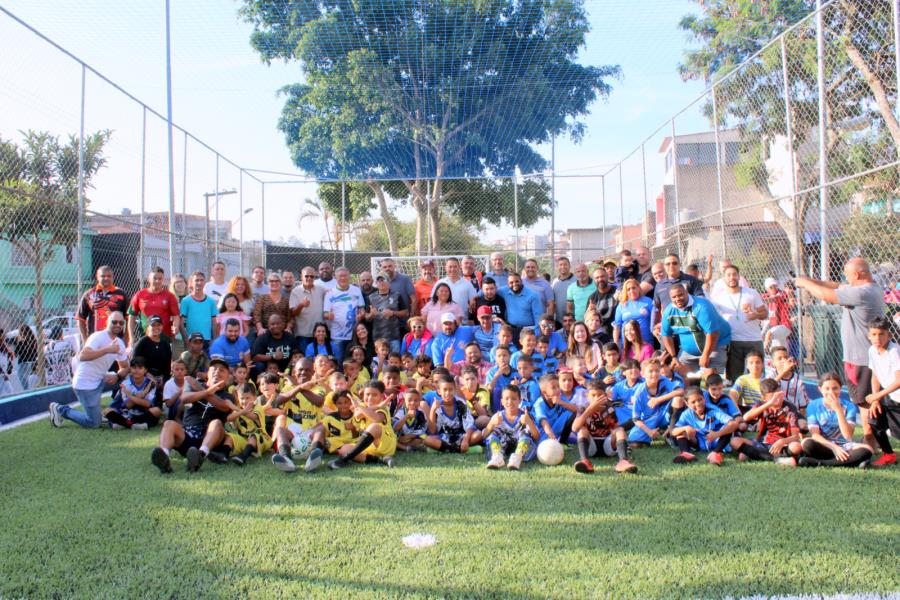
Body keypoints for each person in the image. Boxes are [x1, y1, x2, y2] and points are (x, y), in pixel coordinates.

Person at [796, 257, 886, 448]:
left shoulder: (862, 292)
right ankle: (873, 438)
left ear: (857, 274)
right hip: (860, 357)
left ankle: (870, 439)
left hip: (860, 358)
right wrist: (812, 280)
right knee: (864, 399)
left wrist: (804, 284)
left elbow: (828, 295)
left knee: (864, 401)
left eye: (848, 274)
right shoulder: (869, 287)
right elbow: (838, 286)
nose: (845, 278)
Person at [149, 357, 236, 474]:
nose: (217, 372)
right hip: (188, 434)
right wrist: (206, 391)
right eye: (214, 369)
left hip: (211, 439)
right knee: (169, 423)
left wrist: (201, 390)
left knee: (216, 423)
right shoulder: (193, 383)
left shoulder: (228, 396)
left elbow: (223, 406)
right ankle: (164, 458)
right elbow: (184, 398)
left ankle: (200, 455)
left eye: (222, 370)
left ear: (227, 377)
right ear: (207, 373)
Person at [49, 311, 129, 429]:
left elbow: (125, 368)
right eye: (114, 322)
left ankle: (116, 410)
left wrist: (117, 376)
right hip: (85, 384)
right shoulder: (98, 336)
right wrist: (107, 349)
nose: (118, 325)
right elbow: (83, 356)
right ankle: (60, 409)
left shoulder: (120, 344)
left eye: (121, 323)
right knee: (94, 423)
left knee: (128, 379)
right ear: (107, 322)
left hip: (101, 379)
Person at [799, 372, 873, 468]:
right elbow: (815, 435)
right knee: (807, 443)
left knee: (868, 450)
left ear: (840, 389)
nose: (831, 392)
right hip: (824, 445)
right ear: (820, 389)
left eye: (835, 388)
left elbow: (848, 435)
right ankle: (852, 462)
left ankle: (820, 463)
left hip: (845, 445)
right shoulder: (813, 406)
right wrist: (834, 448)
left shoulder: (849, 406)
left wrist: (838, 410)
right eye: (827, 389)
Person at [710, 265, 767, 382]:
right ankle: (736, 400)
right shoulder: (718, 298)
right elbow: (714, 319)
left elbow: (765, 313)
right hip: (732, 341)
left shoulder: (751, 293)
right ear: (724, 278)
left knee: (758, 377)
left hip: (753, 340)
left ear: (739, 276)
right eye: (728, 275)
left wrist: (756, 315)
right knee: (735, 378)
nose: (732, 277)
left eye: (734, 274)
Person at [661, 284, 732, 376]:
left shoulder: (702, 306)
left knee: (711, 378)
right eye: (674, 297)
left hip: (714, 347)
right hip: (688, 352)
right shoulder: (669, 311)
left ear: (687, 293)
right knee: (679, 374)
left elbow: (713, 332)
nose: (677, 299)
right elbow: (666, 334)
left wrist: (706, 355)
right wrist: (674, 357)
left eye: (680, 295)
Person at [269, 362, 328, 472]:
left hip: (311, 432)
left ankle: (312, 459)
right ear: (295, 372)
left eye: (307, 370)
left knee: (321, 428)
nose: (303, 372)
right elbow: (278, 401)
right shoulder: (288, 388)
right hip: (293, 432)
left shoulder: (318, 388)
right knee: (281, 430)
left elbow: (319, 402)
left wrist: (299, 387)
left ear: (313, 372)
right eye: (300, 370)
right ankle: (286, 459)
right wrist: (299, 387)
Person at [732, 379, 803, 465]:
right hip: (763, 443)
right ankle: (779, 460)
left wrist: (782, 441)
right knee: (734, 441)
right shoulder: (762, 405)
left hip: (782, 445)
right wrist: (769, 403)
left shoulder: (790, 408)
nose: (777, 398)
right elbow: (746, 417)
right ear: (764, 398)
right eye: (772, 396)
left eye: (778, 394)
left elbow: (795, 437)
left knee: (796, 447)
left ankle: (752, 454)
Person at [573, 379, 637, 474]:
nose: (596, 399)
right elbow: (575, 428)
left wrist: (620, 440)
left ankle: (623, 461)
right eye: (593, 395)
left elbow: (615, 428)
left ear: (605, 396)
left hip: (607, 446)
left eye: (600, 395)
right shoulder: (583, 409)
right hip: (591, 446)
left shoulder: (610, 409)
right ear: (587, 396)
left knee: (620, 429)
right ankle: (585, 461)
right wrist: (590, 410)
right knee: (582, 430)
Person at [328, 380, 397, 468]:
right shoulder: (362, 406)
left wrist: (364, 407)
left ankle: (344, 460)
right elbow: (358, 414)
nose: (370, 398)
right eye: (367, 394)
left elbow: (376, 418)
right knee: (344, 449)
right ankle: (380, 460)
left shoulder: (384, 407)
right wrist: (363, 407)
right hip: (370, 446)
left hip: (386, 444)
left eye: (374, 395)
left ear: (382, 396)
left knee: (374, 426)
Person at [670, 386, 740, 465]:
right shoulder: (686, 414)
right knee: (680, 432)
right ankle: (686, 454)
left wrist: (716, 434)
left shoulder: (713, 410)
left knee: (728, 428)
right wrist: (686, 428)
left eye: (700, 399)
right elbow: (673, 431)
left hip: (717, 440)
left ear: (704, 398)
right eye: (693, 402)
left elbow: (734, 424)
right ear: (687, 404)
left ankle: (716, 453)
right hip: (700, 441)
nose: (698, 404)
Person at [865, 316, 900, 466]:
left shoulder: (895, 352)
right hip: (888, 397)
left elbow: (899, 381)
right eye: (873, 334)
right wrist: (875, 400)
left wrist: (878, 395)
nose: (877, 338)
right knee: (873, 420)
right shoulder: (872, 350)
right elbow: (875, 375)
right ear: (869, 335)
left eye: (881, 334)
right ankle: (889, 455)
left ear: (889, 335)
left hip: (896, 397)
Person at [627, 359, 684, 446]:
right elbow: (636, 419)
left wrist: (658, 399)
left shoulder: (663, 380)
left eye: (657, 371)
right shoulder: (639, 393)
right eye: (650, 371)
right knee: (633, 441)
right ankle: (654, 436)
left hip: (666, 414)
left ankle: (671, 433)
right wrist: (649, 432)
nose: (654, 374)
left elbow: (680, 391)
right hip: (650, 419)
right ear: (642, 374)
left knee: (678, 400)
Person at [483, 384, 539, 470]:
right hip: (502, 444)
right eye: (507, 398)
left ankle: (517, 458)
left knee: (526, 437)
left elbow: (536, 437)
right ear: (501, 401)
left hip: (520, 446)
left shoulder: (525, 416)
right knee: (492, 436)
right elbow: (484, 435)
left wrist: (529, 422)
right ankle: (497, 457)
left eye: (514, 398)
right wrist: (491, 424)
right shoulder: (498, 416)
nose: (510, 402)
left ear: (520, 401)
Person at [424, 375, 478, 453]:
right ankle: (458, 449)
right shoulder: (437, 406)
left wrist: (465, 440)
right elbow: (432, 431)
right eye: (445, 390)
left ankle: (446, 449)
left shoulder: (460, 403)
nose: (448, 393)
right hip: (444, 438)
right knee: (427, 440)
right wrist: (432, 410)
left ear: (455, 390)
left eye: (450, 390)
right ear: (439, 391)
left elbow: (470, 424)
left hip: (461, 436)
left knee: (478, 435)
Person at [104, 357, 162, 430]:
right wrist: (141, 395)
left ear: (145, 370)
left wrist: (130, 396)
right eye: (134, 368)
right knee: (107, 410)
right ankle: (136, 424)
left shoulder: (150, 384)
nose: (136, 371)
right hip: (127, 413)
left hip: (144, 412)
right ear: (130, 369)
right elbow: (127, 405)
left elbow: (148, 404)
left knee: (156, 411)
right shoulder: (125, 383)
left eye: (140, 368)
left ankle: (125, 424)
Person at [222, 383, 273, 466]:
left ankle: (243, 456)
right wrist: (233, 418)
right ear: (238, 399)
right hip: (244, 440)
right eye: (242, 398)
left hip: (261, 440)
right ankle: (223, 455)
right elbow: (229, 419)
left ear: (255, 398)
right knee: (230, 436)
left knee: (253, 436)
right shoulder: (238, 411)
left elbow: (252, 416)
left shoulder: (258, 408)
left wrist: (234, 407)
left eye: (247, 398)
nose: (244, 401)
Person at [127, 267, 180, 347]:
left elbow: (176, 316)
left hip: (164, 338)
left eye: (160, 278)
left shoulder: (170, 296)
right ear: (149, 279)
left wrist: (175, 326)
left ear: (163, 280)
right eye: (155, 278)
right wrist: (131, 337)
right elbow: (131, 317)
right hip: (145, 336)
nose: (157, 281)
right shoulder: (139, 295)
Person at [322, 267, 365, 363]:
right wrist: (329, 315)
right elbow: (325, 314)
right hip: (337, 336)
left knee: (354, 361)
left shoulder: (356, 290)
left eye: (345, 275)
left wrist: (361, 314)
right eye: (340, 276)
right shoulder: (330, 293)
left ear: (349, 276)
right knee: (339, 361)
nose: (343, 278)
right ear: (335, 278)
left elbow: (362, 308)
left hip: (354, 334)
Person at [76, 265, 129, 343]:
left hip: (115, 341)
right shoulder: (88, 294)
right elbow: (80, 319)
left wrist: (126, 339)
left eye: (109, 276)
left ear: (113, 277)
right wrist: (85, 340)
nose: (106, 278)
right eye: (103, 276)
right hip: (94, 340)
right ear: (97, 277)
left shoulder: (122, 295)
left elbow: (129, 318)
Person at [652, 254, 705, 318]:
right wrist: (652, 326)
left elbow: (701, 300)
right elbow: (655, 308)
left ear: (680, 264)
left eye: (674, 263)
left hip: (690, 321)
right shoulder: (659, 285)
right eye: (668, 264)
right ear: (664, 267)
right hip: (669, 323)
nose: (671, 266)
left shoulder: (691, 280)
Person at [367, 271, 409, 352]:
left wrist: (393, 313)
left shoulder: (396, 295)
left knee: (394, 361)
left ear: (389, 282)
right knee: (380, 361)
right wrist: (372, 314)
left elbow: (406, 312)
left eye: (383, 280)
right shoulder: (371, 297)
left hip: (394, 337)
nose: (381, 283)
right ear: (376, 283)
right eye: (379, 281)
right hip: (378, 337)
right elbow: (366, 317)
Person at [132, 315, 173, 398]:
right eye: (153, 325)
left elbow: (167, 367)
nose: (156, 328)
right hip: (144, 378)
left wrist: (164, 379)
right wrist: (147, 374)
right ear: (148, 327)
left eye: (159, 325)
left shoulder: (165, 344)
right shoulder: (142, 343)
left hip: (160, 379)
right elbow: (134, 363)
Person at [289, 266, 327, 355]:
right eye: (306, 276)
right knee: (305, 361)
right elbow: (293, 313)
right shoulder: (295, 291)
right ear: (301, 277)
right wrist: (301, 305)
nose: (309, 278)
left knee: (319, 360)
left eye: (312, 276)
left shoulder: (321, 289)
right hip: (303, 335)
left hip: (319, 335)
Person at [533, 373, 578, 443]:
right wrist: (552, 438)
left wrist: (561, 402)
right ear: (544, 393)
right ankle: (556, 441)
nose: (558, 390)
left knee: (570, 412)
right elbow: (543, 422)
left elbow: (576, 410)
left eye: (558, 386)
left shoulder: (560, 398)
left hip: (557, 429)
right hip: (545, 432)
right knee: (544, 444)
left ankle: (563, 440)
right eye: (553, 388)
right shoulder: (539, 403)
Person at [613, 278, 654, 348]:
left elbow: (655, 320)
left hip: (646, 343)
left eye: (633, 288)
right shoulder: (621, 305)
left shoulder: (648, 301)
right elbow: (617, 327)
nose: (631, 291)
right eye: (628, 289)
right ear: (626, 292)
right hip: (627, 345)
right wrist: (616, 344)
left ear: (638, 288)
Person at [179, 271, 219, 345]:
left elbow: (214, 323)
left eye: (201, 280)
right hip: (191, 340)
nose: (199, 282)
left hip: (207, 340)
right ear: (191, 283)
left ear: (205, 282)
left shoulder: (211, 301)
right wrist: (186, 339)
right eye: (196, 280)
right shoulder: (186, 301)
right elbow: (181, 323)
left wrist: (214, 340)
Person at [253, 273, 292, 337]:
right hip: (265, 332)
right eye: (271, 281)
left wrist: (288, 328)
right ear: (268, 284)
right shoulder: (262, 298)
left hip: (282, 333)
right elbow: (256, 314)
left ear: (281, 283)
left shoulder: (286, 300)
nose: (274, 283)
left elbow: (290, 317)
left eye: (277, 281)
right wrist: (259, 328)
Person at [586, 268, 617, 344]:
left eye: (602, 276)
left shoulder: (617, 292)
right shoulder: (592, 298)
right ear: (594, 280)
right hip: (600, 338)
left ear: (607, 277)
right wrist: (590, 311)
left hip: (616, 334)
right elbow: (587, 320)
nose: (600, 279)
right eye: (597, 278)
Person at [12, 323, 38, 390]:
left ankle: (27, 392)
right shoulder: (34, 341)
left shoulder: (20, 342)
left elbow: (15, 354)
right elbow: (37, 352)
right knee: (33, 382)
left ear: (21, 333)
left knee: (24, 383)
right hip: (33, 363)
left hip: (23, 363)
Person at [551, 256, 576, 324]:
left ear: (569, 266)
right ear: (557, 267)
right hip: (559, 320)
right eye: (560, 265)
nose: (563, 267)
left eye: (565, 264)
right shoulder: (555, 282)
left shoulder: (576, 280)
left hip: (573, 320)